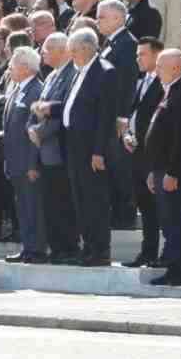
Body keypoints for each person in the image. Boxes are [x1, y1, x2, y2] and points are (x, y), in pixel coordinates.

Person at [37, 28, 115, 266]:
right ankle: (88, 247)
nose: (70, 55)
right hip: (74, 147)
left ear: (84, 48)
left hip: (91, 150)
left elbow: (105, 116)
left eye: (72, 50)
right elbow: (74, 106)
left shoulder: (104, 71)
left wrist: (99, 151)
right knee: (80, 201)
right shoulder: (80, 72)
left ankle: (100, 251)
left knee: (94, 201)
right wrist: (51, 108)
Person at [144, 49, 181, 286]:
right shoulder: (171, 90)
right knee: (169, 221)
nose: (156, 71)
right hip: (161, 168)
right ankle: (178, 267)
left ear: (176, 67)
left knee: (174, 220)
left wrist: (173, 172)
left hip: (173, 170)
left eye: (160, 66)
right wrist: (152, 170)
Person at [29, 33, 78, 262]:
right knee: (50, 204)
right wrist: (32, 129)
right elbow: (36, 108)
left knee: (62, 203)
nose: (42, 53)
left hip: (58, 149)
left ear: (62, 50)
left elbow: (62, 113)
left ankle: (67, 248)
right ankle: (56, 247)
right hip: (43, 151)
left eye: (47, 49)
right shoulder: (50, 77)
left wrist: (40, 132)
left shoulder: (71, 74)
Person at [96, 0, 139, 231]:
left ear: (117, 18)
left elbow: (127, 83)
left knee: (120, 165)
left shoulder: (127, 44)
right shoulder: (111, 43)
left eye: (102, 17)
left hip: (118, 118)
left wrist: (123, 115)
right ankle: (118, 211)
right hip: (107, 115)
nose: (97, 21)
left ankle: (126, 213)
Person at [0, 46, 45, 264]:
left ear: (26, 67)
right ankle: (28, 246)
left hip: (28, 162)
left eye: (13, 64)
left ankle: (36, 249)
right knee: (23, 207)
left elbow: (36, 130)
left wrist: (33, 164)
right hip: (15, 160)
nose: (9, 67)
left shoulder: (36, 90)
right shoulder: (17, 89)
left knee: (33, 206)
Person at [122, 37, 164, 268]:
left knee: (158, 207)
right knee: (145, 206)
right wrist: (127, 134)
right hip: (136, 152)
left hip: (154, 154)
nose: (138, 58)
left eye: (143, 54)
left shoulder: (163, 82)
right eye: (137, 55)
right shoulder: (141, 81)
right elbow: (132, 113)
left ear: (157, 55)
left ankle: (164, 253)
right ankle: (147, 252)